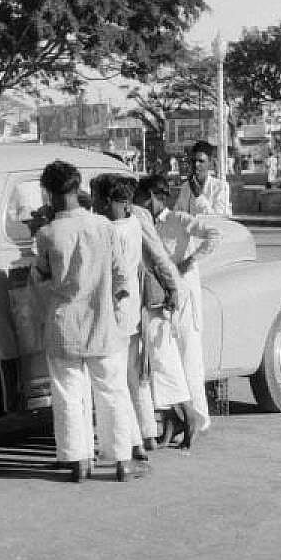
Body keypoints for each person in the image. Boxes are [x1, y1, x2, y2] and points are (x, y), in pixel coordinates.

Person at [30, 160, 137, 482]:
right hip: (102, 324)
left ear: (48, 192)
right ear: (78, 188)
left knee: (68, 394)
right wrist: (115, 305)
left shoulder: (47, 233)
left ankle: (77, 461)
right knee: (112, 392)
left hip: (64, 326)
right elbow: (122, 276)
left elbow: (41, 277)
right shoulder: (103, 226)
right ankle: (122, 461)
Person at [94, 173, 180, 461]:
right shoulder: (135, 220)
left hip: (119, 307)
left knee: (119, 378)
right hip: (133, 306)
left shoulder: (108, 228)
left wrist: (171, 286)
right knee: (134, 374)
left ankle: (134, 440)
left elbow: (156, 256)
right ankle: (146, 433)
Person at [145, 175, 222, 442]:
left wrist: (190, 260)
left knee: (189, 358)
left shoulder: (178, 220)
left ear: (154, 197)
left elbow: (214, 234)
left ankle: (198, 420)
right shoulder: (147, 225)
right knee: (167, 363)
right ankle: (175, 421)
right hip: (162, 297)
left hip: (185, 296)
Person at [176, 140, 231, 216]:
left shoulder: (221, 187)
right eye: (193, 161)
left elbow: (218, 219)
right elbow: (177, 214)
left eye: (201, 161)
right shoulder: (186, 187)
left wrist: (198, 196)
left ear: (210, 162)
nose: (196, 164)